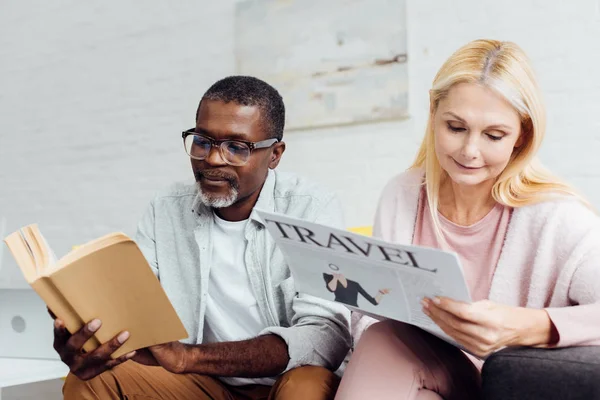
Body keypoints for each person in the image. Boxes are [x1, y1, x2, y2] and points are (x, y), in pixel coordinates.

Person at [56, 76, 351, 400]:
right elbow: (135, 309)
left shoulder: (310, 208)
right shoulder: (166, 209)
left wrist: (189, 357)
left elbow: (325, 336)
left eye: (237, 147)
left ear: (275, 154)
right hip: (204, 386)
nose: (212, 159)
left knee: (305, 387)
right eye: (202, 141)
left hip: (286, 384)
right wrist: (88, 335)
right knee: (88, 380)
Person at [335, 39, 600, 400]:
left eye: (494, 135)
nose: (470, 151)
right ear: (433, 111)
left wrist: (528, 327)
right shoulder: (402, 194)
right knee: (383, 339)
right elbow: (374, 317)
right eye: (456, 128)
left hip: (508, 379)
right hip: (429, 372)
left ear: (521, 135)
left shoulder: (557, 216)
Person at [323, 272, 390, 307]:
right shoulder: (330, 278)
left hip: (353, 311)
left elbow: (374, 302)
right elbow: (331, 289)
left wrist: (381, 293)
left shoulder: (354, 284)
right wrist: (335, 277)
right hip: (338, 308)